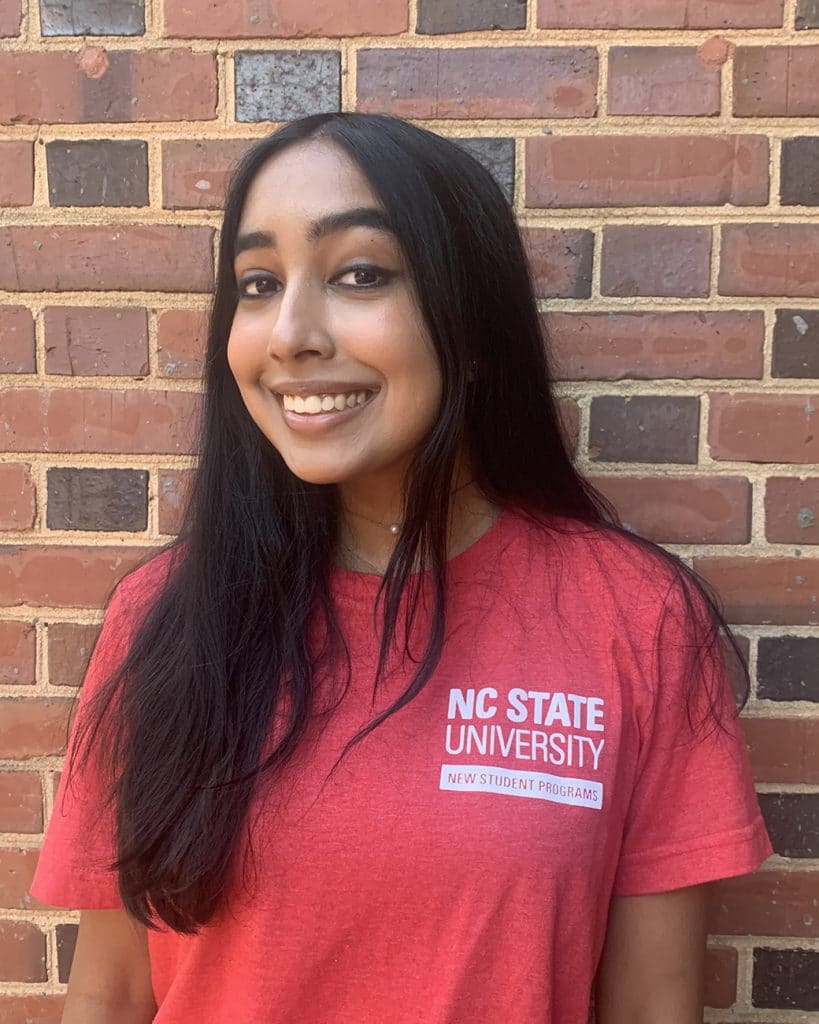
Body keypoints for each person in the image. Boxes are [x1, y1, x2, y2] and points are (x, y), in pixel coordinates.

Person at [31, 113, 772, 1024]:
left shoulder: (637, 620)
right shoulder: (165, 621)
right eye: (257, 285)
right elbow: (108, 992)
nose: (290, 333)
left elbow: (653, 1006)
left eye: (359, 274)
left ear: (473, 330)